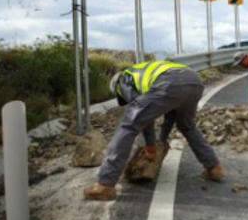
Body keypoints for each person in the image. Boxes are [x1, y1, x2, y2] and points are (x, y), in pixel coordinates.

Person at [84, 59, 223, 201]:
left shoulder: (124, 79)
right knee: (187, 125)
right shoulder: (144, 71)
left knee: (128, 125)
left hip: (170, 82)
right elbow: (169, 115)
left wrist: (150, 146)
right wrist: (161, 141)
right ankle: (214, 168)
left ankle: (105, 185)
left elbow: (142, 118)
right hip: (194, 81)